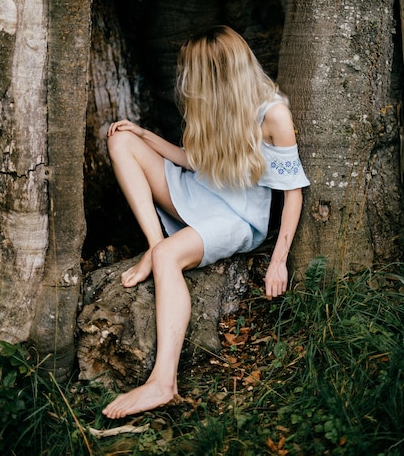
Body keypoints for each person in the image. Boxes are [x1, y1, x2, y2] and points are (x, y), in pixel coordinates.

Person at [103, 25, 309, 419]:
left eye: (191, 74)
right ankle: (153, 240)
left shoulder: (273, 115)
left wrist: (279, 258)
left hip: (235, 218)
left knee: (168, 259)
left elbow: (292, 191)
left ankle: (162, 383)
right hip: (194, 192)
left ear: (214, 74)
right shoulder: (215, 104)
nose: (185, 82)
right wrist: (143, 134)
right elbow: (191, 160)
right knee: (121, 140)